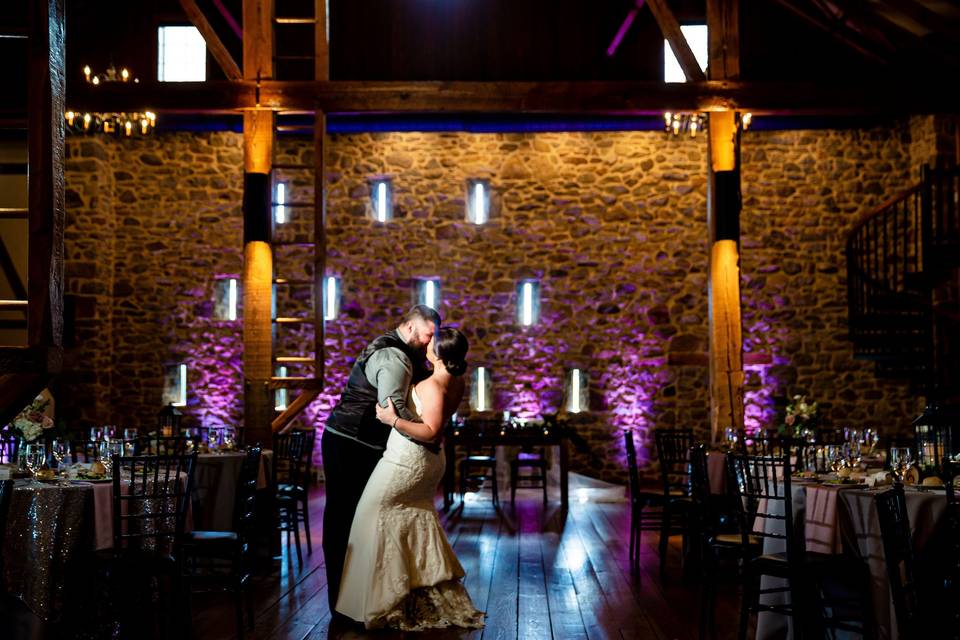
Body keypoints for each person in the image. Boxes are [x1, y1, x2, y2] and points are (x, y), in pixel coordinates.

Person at [335, 328, 484, 630]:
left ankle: (381, 603)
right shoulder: (457, 381)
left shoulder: (432, 386)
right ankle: (417, 597)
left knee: (370, 515)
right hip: (427, 461)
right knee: (414, 520)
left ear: (440, 354)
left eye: (432, 343)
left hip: (409, 460)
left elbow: (431, 430)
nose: (426, 345)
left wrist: (393, 420)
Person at [321, 305, 441, 613]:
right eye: (428, 335)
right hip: (350, 443)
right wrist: (426, 434)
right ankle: (341, 601)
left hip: (359, 443)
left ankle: (359, 596)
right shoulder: (393, 357)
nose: (430, 343)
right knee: (343, 519)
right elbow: (392, 409)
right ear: (412, 328)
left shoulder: (400, 349)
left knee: (360, 519)